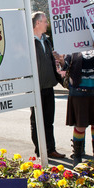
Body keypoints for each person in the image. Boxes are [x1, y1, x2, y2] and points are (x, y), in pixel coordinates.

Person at [54, 49, 94, 167]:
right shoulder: (72, 50)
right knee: (80, 126)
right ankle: (77, 156)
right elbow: (66, 66)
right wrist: (61, 60)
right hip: (79, 93)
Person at [31, 12, 65, 159]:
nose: (47, 24)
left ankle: (51, 149)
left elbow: (51, 63)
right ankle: (40, 150)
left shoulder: (47, 41)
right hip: (35, 88)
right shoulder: (28, 41)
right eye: (45, 21)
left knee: (48, 120)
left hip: (48, 86)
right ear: (37, 23)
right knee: (36, 121)